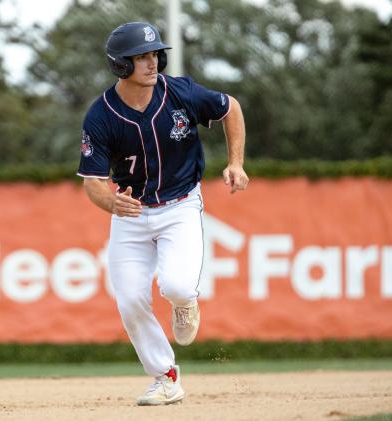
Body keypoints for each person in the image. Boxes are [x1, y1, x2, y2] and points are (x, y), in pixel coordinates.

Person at [77, 21, 248, 406]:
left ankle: (186, 305)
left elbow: (230, 108)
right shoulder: (101, 116)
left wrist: (236, 163)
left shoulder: (180, 92)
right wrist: (110, 201)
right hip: (131, 216)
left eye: (155, 53)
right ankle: (166, 376)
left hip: (181, 205)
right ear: (121, 65)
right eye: (141, 56)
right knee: (130, 299)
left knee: (177, 287)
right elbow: (93, 183)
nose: (152, 62)